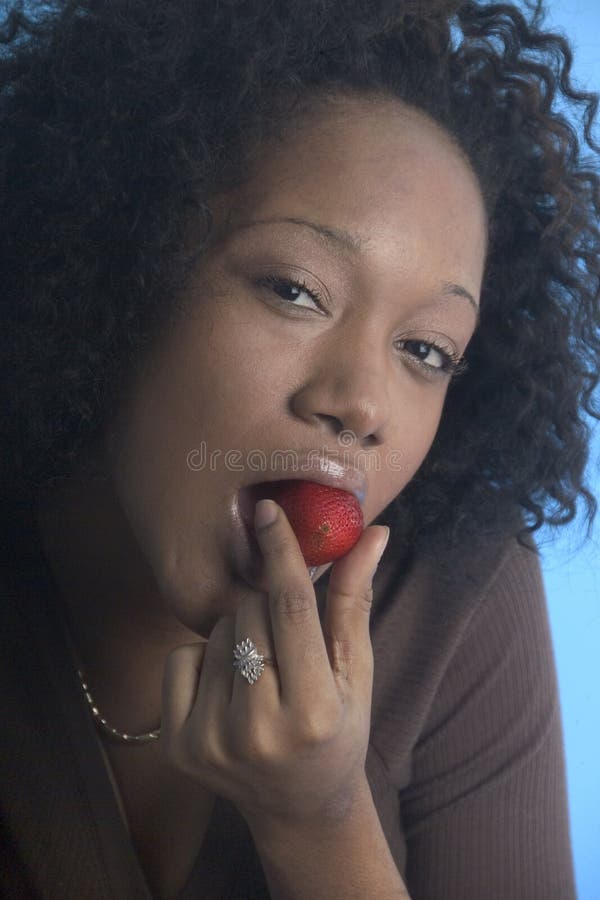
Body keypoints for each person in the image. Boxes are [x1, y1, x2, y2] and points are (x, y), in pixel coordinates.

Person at [1, 0, 598, 897]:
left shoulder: (458, 599)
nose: (361, 404)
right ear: (123, 261)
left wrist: (322, 828)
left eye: (426, 350)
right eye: (293, 289)